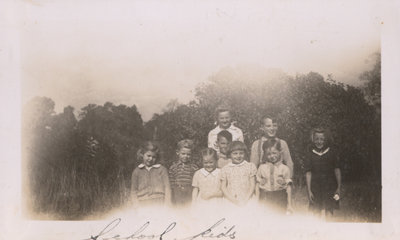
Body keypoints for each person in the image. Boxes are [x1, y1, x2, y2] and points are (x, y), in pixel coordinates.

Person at [304, 127, 341, 218]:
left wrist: (339, 187)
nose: (319, 142)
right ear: (313, 139)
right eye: (317, 139)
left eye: (322, 139)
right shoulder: (310, 153)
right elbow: (308, 172)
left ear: (326, 140)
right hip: (315, 187)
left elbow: (337, 169)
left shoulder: (331, 152)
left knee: (329, 210)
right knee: (316, 211)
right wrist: (309, 190)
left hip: (329, 186)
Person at [255, 139, 293, 214]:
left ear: (280, 152)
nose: (272, 156)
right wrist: (256, 202)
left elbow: (288, 188)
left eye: (274, 153)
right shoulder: (262, 168)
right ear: (265, 154)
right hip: (265, 198)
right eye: (268, 154)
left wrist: (289, 205)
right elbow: (257, 185)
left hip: (280, 198)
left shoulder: (284, 169)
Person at [131, 141, 171, 207]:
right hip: (142, 202)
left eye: (154, 157)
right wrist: (136, 206)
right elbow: (133, 191)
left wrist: (167, 204)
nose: (151, 159)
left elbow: (167, 188)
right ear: (142, 155)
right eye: (148, 156)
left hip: (159, 201)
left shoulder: (162, 169)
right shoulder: (137, 171)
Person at [220, 141, 257, 206]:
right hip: (231, 200)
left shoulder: (250, 166)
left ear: (245, 153)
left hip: (247, 199)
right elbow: (223, 187)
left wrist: (246, 199)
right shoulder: (225, 169)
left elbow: (252, 185)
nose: (238, 156)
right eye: (235, 153)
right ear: (230, 154)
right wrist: (233, 200)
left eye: (241, 153)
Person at [169, 139, 199, 206]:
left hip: (189, 192)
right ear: (177, 152)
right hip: (177, 192)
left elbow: (196, 183)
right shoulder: (173, 167)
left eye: (188, 154)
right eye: (183, 154)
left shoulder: (194, 167)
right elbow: (171, 184)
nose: (186, 156)